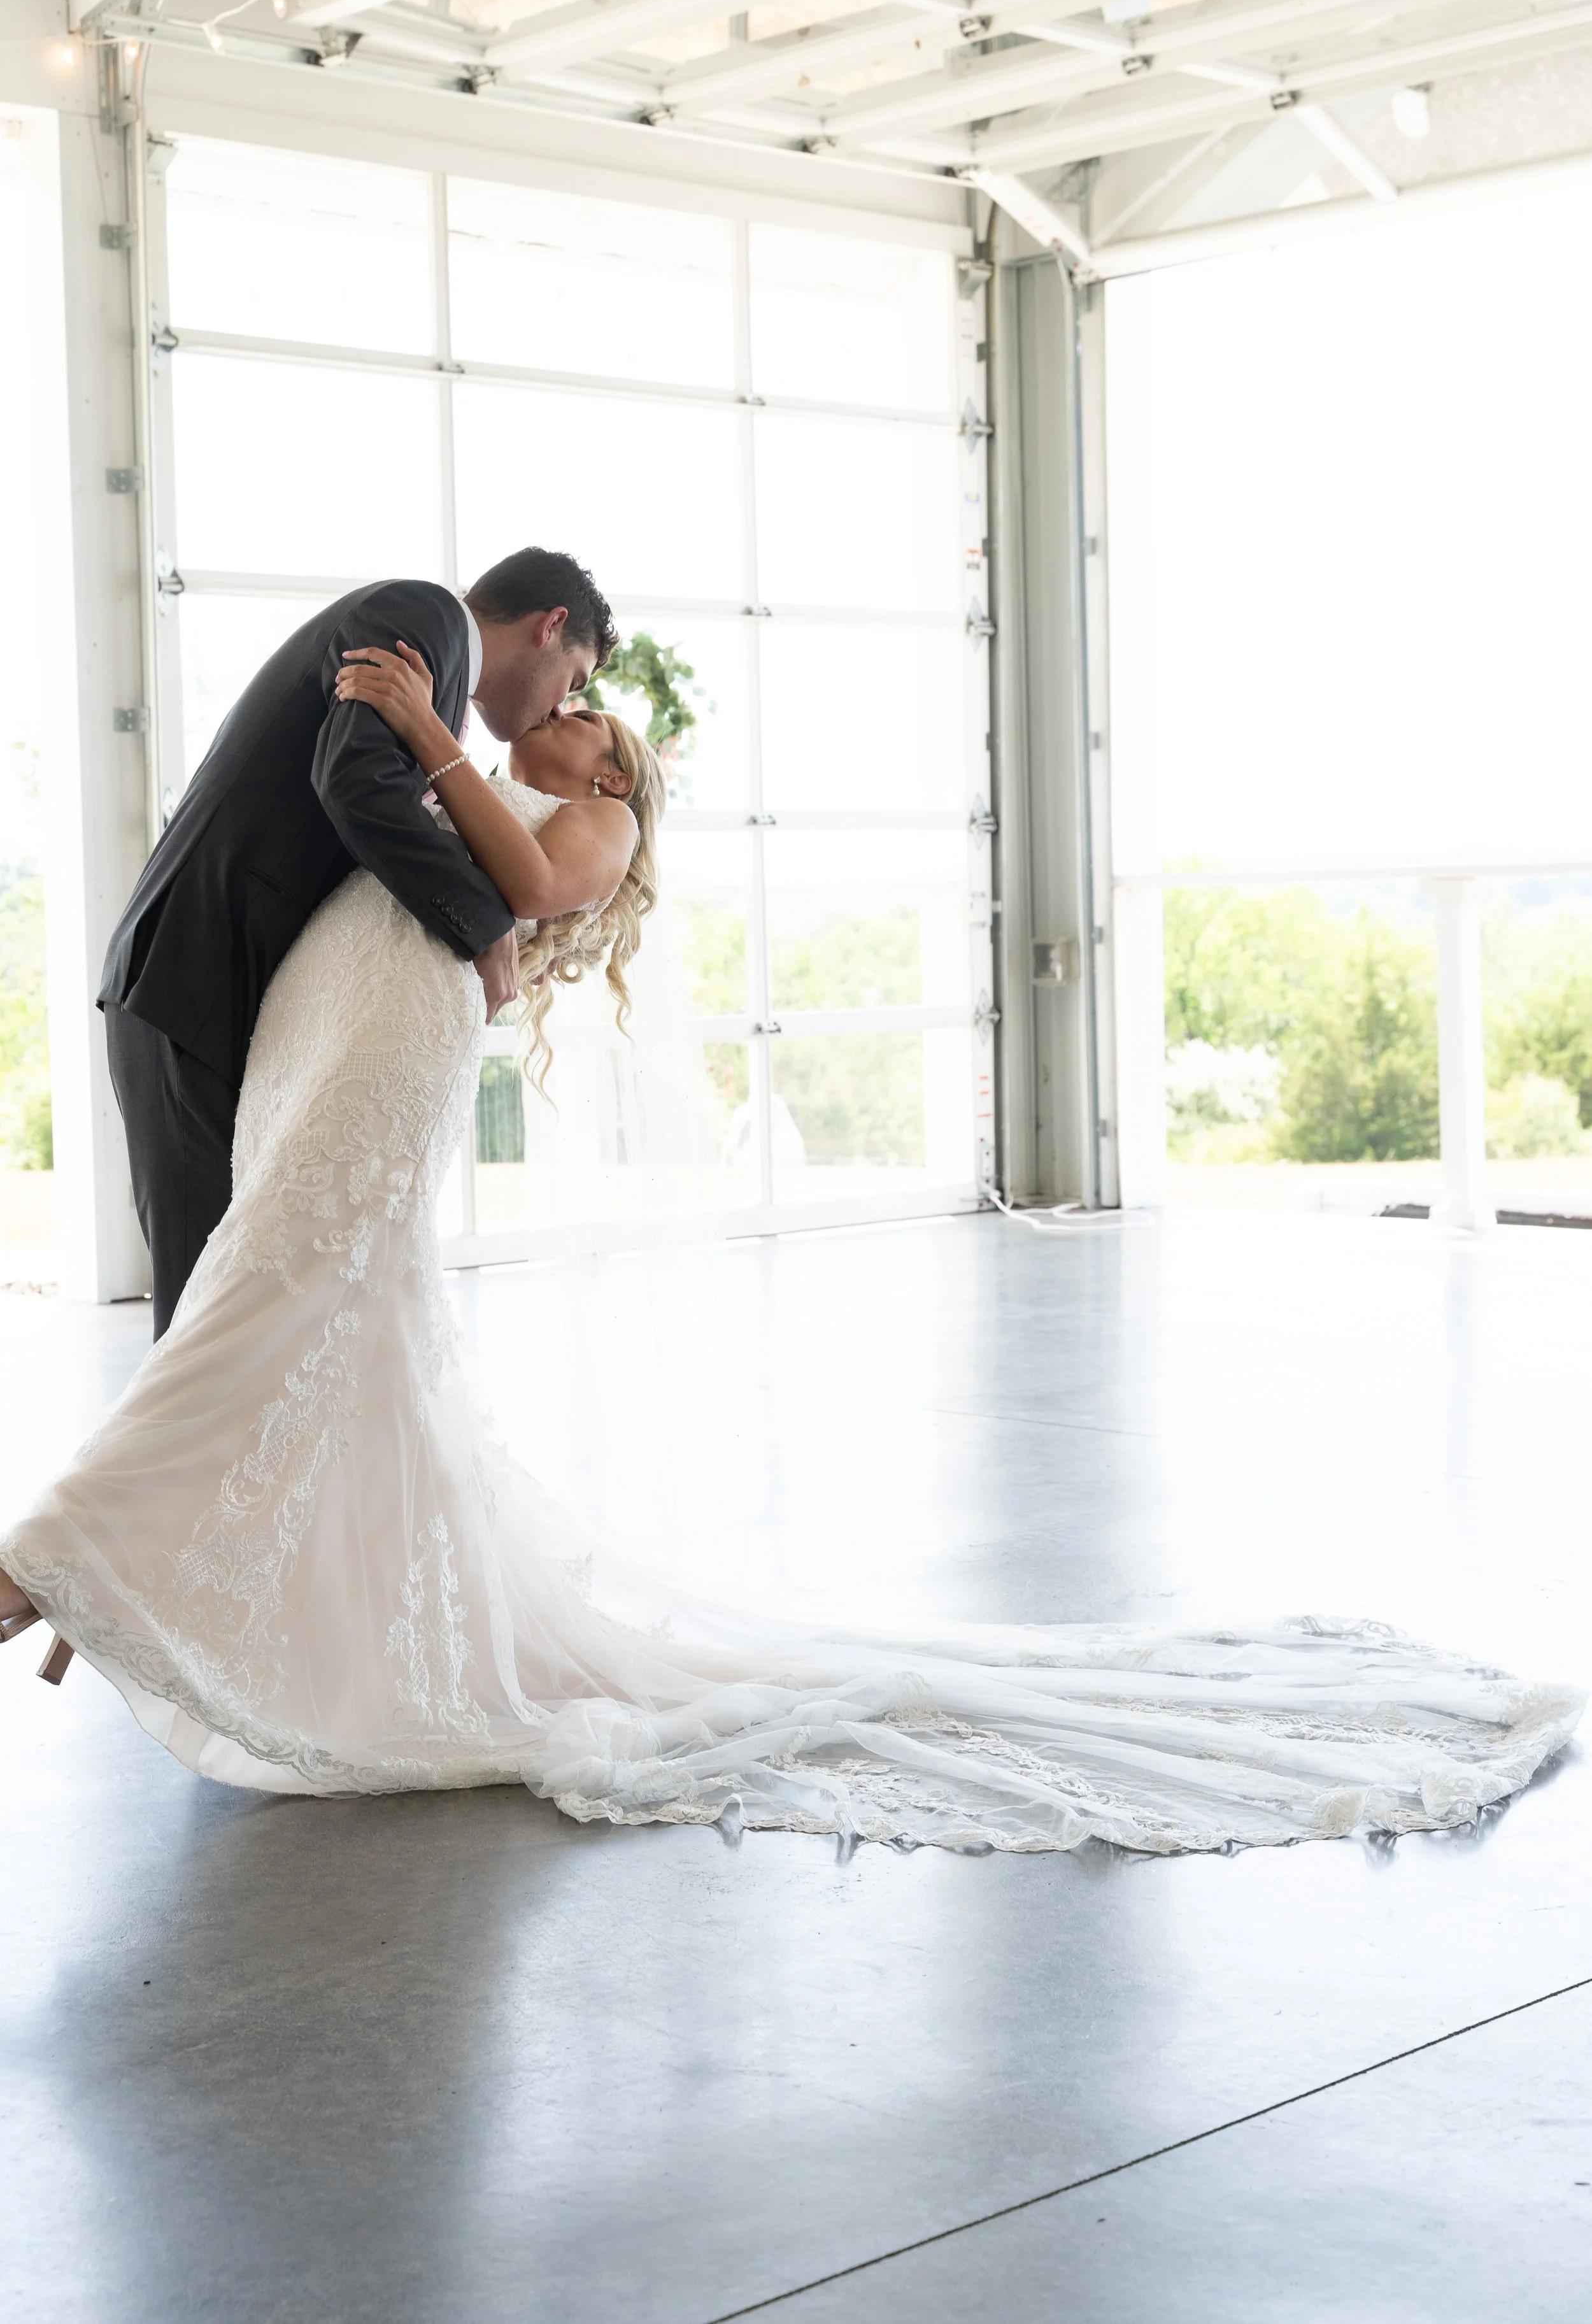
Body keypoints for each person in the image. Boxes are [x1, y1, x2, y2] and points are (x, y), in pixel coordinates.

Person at [0, 655, 1581, 1853]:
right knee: (309, 1312)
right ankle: (150, 1571)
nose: (559, 708)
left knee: (285, 1282)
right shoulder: (496, 784)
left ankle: (59, 1558)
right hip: (334, 1018)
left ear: (612, 759)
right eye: (562, 695)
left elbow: (529, 887)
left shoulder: (594, 821)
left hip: (386, 1031)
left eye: (587, 710)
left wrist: (422, 732)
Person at [98, 547, 610, 1339]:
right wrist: (484, 925)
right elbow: (354, 781)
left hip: (225, 984)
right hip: (188, 974)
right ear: (550, 628)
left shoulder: (437, 671)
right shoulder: (421, 616)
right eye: (573, 682)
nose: (557, 709)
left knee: (234, 1297)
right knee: (204, 1313)